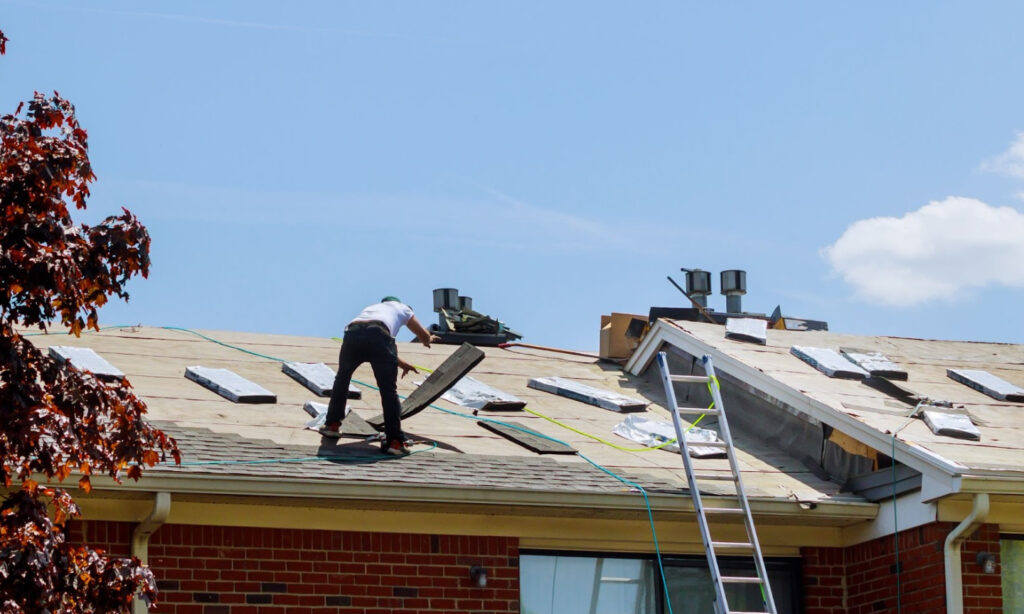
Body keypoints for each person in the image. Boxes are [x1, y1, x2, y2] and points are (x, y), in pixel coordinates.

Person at [319, 296, 440, 455]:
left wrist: (402, 364)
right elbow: (418, 335)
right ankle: (395, 442)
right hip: (379, 335)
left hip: (353, 333)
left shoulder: (374, 310)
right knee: (388, 390)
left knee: (342, 379)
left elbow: (380, 343)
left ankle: (332, 425)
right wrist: (428, 339)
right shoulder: (403, 308)